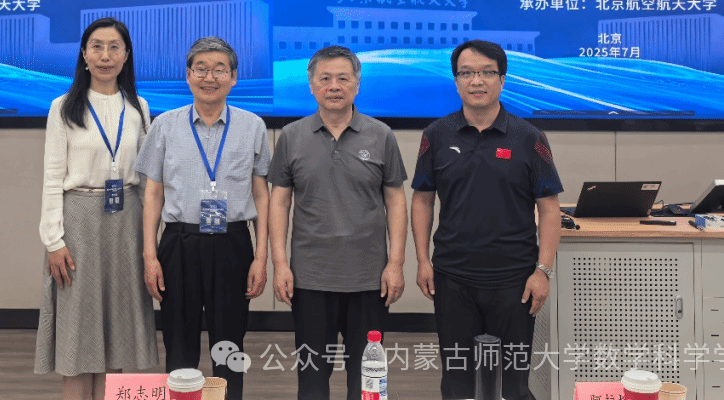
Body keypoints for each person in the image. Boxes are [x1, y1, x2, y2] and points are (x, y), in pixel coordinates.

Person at [410, 40, 563, 400]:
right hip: (452, 276)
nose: (476, 81)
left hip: (514, 279)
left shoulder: (530, 138)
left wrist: (543, 271)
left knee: (513, 383)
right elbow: (422, 199)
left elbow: (549, 208)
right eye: (467, 73)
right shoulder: (436, 135)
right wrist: (422, 261)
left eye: (486, 73)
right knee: (457, 379)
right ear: (456, 81)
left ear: (502, 79)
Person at [134, 36, 270, 400]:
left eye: (219, 70)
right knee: (179, 342)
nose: (210, 78)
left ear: (234, 77)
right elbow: (153, 194)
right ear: (188, 75)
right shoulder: (165, 125)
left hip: (233, 243)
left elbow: (261, 194)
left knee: (230, 342)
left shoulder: (253, 126)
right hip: (179, 243)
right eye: (201, 69)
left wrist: (261, 257)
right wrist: (150, 256)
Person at [269, 46, 408, 400]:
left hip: (369, 278)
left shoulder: (381, 135)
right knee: (312, 376)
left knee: (367, 378)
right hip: (310, 277)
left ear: (357, 85)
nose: (334, 86)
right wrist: (280, 264)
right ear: (312, 86)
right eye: (325, 78)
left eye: (343, 78)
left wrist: (395, 263)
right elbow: (279, 202)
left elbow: (395, 200)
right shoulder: (291, 136)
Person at [34, 18, 158, 400]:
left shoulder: (139, 107)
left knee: (115, 338)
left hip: (126, 223)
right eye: (97, 47)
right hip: (79, 224)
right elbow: (52, 176)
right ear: (84, 55)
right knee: (78, 339)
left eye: (114, 47)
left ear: (126, 55)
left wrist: (151, 240)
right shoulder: (63, 107)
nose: (106, 56)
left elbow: (148, 179)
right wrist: (53, 240)